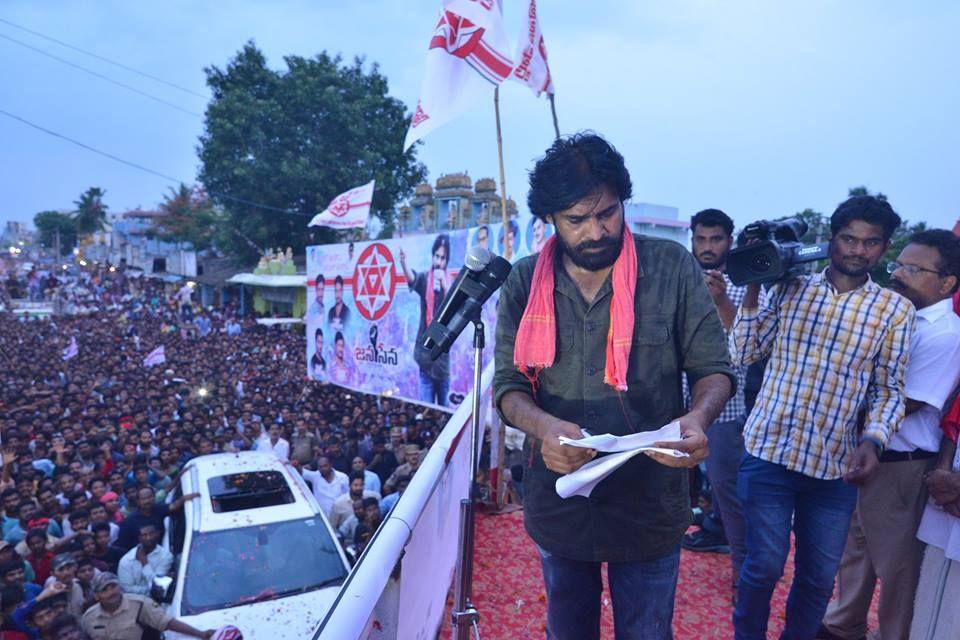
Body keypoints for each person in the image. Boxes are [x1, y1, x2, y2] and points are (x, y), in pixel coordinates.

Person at [493, 133, 733, 639]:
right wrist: (544, 427)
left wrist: (697, 418)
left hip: (649, 500)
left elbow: (713, 368)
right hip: (560, 500)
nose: (597, 230)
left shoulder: (671, 266)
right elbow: (509, 387)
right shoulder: (522, 282)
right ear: (551, 220)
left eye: (607, 212)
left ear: (623, 201)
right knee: (568, 629)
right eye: (576, 220)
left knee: (647, 631)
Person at [730, 195, 915, 640]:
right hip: (769, 453)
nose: (857, 250)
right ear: (831, 238)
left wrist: (873, 441)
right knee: (763, 567)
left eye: (870, 242)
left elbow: (888, 390)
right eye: (848, 238)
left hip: (833, 469)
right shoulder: (790, 287)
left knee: (816, 580)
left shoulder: (894, 310)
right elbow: (742, 352)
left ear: (884, 247)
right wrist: (755, 281)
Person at [817, 230, 960, 640]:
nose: (897, 274)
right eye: (899, 264)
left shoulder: (946, 333)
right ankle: (843, 627)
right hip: (872, 457)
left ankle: (894, 635)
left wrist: (838, 395)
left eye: (913, 269)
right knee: (856, 554)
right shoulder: (901, 316)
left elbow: (907, 402)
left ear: (947, 283)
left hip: (903, 467)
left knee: (897, 570)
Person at [681, 208, 749, 597]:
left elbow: (748, 346)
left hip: (728, 407)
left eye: (716, 240)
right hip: (682, 399)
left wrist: (722, 301)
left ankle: (745, 575)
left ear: (729, 241)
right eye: (701, 239)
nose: (708, 247)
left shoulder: (743, 283)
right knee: (703, 485)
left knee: (729, 489)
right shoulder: (682, 278)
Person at [81, 572, 215, 639]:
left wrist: (200, 634)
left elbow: (167, 623)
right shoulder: (88, 618)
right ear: (96, 596)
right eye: (105, 590)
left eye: (113, 586)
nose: (111, 592)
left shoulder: (140, 604)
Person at [400, 234, 451, 406]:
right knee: (427, 408)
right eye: (437, 256)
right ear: (432, 256)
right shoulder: (425, 279)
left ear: (446, 260)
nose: (439, 261)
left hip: (443, 361)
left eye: (443, 258)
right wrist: (403, 263)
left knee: (445, 412)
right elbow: (412, 279)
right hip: (425, 357)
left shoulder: (449, 284)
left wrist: (444, 285)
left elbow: (456, 307)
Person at [116, 487, 198, 552]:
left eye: (150, 497)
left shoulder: (158, 509)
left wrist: (184, 499)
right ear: (138, 501)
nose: (147, 501)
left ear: (154, 497)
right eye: (144, 499)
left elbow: (173, 506)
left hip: (160, 554)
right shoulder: (129, 521)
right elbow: (122, 546)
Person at [117, 523, 173, 596]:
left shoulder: (166, 556)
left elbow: (158, 584)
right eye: (144, 535)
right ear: (139, 538)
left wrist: (145, 564)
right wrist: (150, 590)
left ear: (157, 534)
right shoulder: (127, 560)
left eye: (151, 534)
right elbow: (126, 589)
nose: (148, 538)